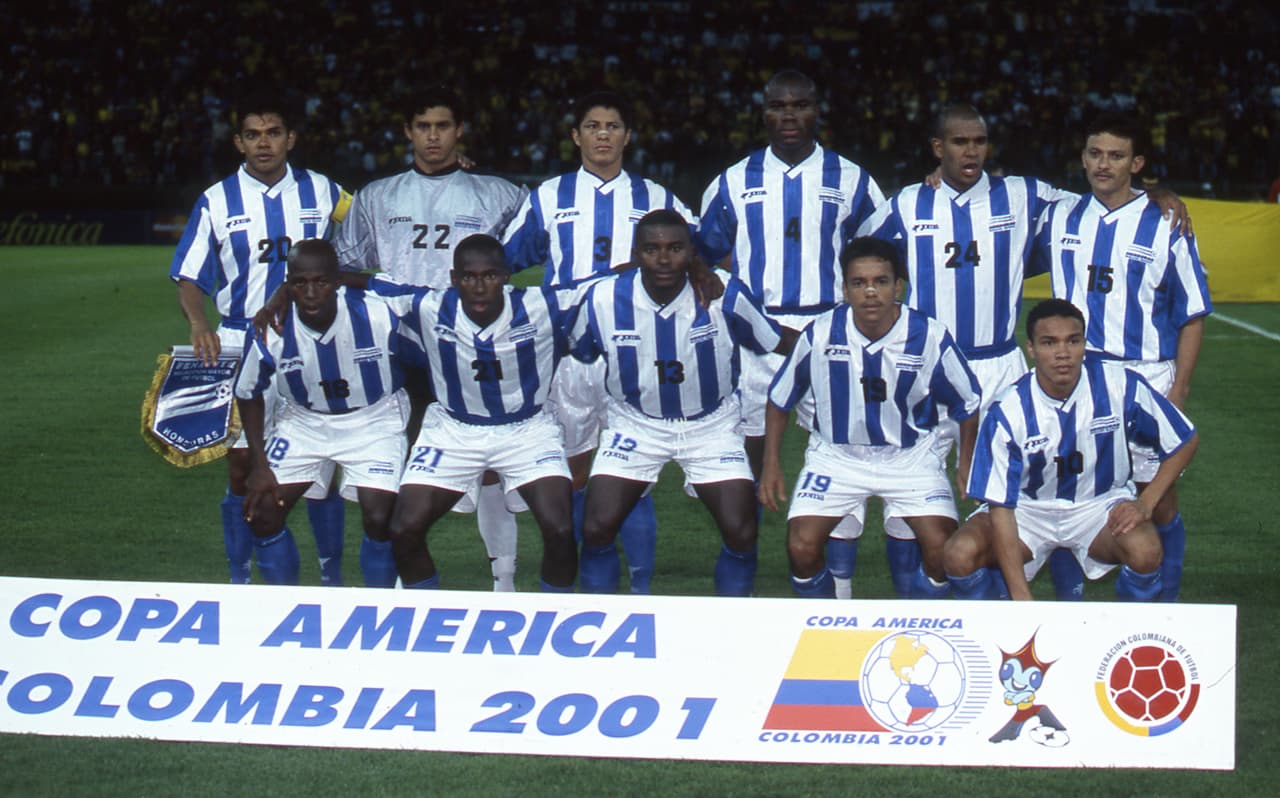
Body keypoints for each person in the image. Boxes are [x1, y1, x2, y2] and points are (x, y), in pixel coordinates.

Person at [859, 103, 1191, 601]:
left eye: (978, 142)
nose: (970, 151)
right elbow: (863, 257)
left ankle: (1034, 597)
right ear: (938, 148)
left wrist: (1156, 193)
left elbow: (1104, 197)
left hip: (999, 364)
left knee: (1039, 485)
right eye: (958, 143)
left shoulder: (1025, 195)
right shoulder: (908, 202)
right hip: (928, 369)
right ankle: (918, 609)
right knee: (912, 501)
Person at [695, 69, 886, 598]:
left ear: (816, 110)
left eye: (799, 105)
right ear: (764, 113)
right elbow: (702, 255)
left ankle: (840, 590)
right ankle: (744, 583)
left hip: (831, 333)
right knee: (749, 466)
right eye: (779, 106)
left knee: (844, 454)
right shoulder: (733, 181)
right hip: (757, 338)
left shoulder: (851, 179)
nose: (789, 116)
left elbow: (881, 254)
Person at [332, 87, 529, 592]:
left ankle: (504, 578)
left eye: (443, 126)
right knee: (399, 457)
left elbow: (536, 245)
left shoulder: (499, 194)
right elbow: (346, 264)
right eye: (423, 127)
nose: (433, 136)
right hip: (398, 347)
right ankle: (406, 574)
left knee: (488, 459)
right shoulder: (377, 196)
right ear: (408, 132)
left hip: (470, 344)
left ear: (459, 131)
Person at [502, 91, 697, 594]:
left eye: (612, 126)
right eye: (592, 126)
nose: (603, 135)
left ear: (628, 136)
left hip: (635, 350)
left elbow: (698, 250)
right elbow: (505, 260)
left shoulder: (655, 197)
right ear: (576, 136)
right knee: (573, 469)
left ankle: (641, 588)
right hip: (568, 354)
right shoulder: (549, 196)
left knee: (633, 472)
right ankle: (578, 583)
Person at [170, 93, 350, 585]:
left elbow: (371, 222)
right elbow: (189, 276)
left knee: (322, 466)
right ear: (239, 143)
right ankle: (241, 577)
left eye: (273, 133)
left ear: (290, 138)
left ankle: (331, 577)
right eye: (253, 135)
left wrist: (452, 169)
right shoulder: (216, 200)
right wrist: (198, 323)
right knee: (242, 465)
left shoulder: (324, 191)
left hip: (313, 337)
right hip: (238, 336)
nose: (263, 143)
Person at [1031, 113, 1212, 601]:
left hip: (1146, 376)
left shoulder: (1166, 223)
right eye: (1095, 154)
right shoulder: (1060, 216)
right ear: (1083, 158)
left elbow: (1192, 314)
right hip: (1076, 375)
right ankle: (1070, 605)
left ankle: (1164, 605)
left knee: (1160, 501)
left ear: (1137, 163)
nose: (1103, 165)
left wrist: (1180, 389)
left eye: (1116, 156)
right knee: (1067, 492)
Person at [571, 210, 790, 596]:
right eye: (651, 249)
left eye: (675, 248)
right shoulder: (603, 297)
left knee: (741, 531)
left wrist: (832, 342)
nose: (663, 258)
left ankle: (734, 616)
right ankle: (602, 617)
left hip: (711, 425)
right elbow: (578, 347)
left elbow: (772, 338)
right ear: (636, 254)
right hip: (635, 423)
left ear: (692, 252)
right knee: (596, 527)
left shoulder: (723, 293)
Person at [759, 237, 981, 599]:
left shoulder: (929, 335)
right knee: (801, 546)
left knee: (942, 551)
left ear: (898, 286)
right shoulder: (820, 333)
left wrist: (966, 460)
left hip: (910, 458)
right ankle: (831, 618)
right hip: (837, 457)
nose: (871, 292)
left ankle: (917, 621)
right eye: (859, 283)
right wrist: (771, 465)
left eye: (881, 281)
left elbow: (968, 402)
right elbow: (779, 399)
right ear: (845, 289)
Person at [948, 299, 1199, 601]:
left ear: (1084, 344)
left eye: (1073, 341)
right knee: (959, 554)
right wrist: (1022, 599)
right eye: (1049, 343)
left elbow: (1184, 439)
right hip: (1028, 511)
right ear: (1031, 349)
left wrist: (1146, 502)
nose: (1063, 353)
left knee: (1145, 550)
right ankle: (995, 614)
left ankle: (1129, 625)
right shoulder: (1007, 411)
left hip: (1098, 507)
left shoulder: (1120, 385)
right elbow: (1001, 507)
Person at [374, 234, 577, 592]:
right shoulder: (429, 306)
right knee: (403, 529)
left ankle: (553, 612)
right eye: (469, 277)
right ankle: (423, 608)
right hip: (453, 430)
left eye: (490, 276)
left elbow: (603, 285)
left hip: (527, 429)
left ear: (506, 276)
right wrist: (284, 293)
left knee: (560, 530)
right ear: (454, 278)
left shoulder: (542, 306)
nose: (479, 286)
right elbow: (364, 283)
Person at [234, 240, 405, 586]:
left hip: (373, 420)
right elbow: (248, 393)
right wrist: (259, 465)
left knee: (380, 516)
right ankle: (287, 605)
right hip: (303, 422)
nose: (310, 293)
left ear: (338, 281)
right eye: (300, 283)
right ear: (288, 285)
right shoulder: (271, 327)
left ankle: (379, 607)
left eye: (321, 282)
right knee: (263, 512)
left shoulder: (380, 312)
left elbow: (422, 303)